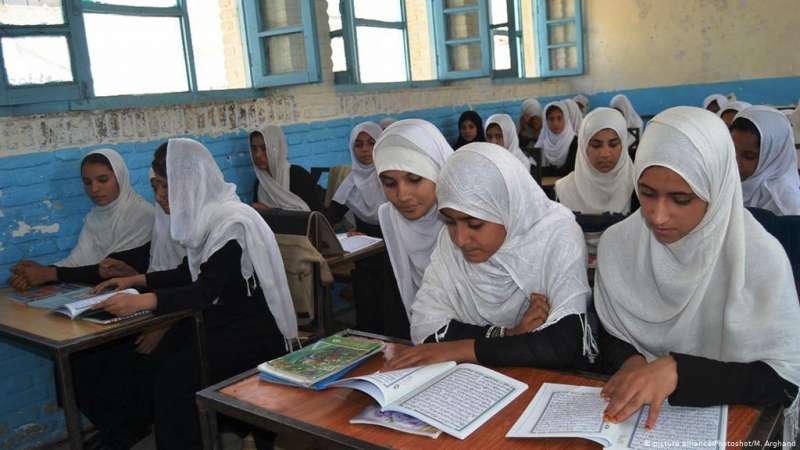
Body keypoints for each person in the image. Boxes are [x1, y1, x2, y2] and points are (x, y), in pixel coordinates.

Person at [595, 107, 800, 436]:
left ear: (716, 190)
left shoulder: (758, 257)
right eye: (647, 193)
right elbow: (610, 329)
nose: (658, 216)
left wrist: (679, 372)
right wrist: (631, 360)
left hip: (731, 424)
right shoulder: (619, 244)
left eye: (680, 199)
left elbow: (785, 379)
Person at [82, 138, 297, 450]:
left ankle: (213, 430)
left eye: (165, 187)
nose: (159, 197)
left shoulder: (232, 223)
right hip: (219, 323)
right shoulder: (205, 220)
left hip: (252, 334)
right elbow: (188, 271)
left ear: (191, 183)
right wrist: (136, 279)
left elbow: (204, 291)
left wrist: (144, 301)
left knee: (175, 376)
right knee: (146, 360)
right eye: (155, 187)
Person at [387, 143, 594, 370]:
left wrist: (459, 348)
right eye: (449, 222)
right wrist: (508, 334)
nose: (460, 239)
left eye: (475, 224)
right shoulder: (449, 243)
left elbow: (562, 344)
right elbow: (425, 327)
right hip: (475, 380)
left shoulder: (556, 234)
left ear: (508, 208)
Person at [8, 149, 153, 290]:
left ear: (120, 177)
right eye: (87, 182)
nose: (94, 189)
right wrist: (37, 274)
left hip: (142, 297)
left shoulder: (141, 214)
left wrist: (49, 274)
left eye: (103, 180)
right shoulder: (95, 216)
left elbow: (111, 271)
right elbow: (78, 261)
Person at [374, 119, 454, 337]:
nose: (402, 196)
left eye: (415, 179)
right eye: (390, 184)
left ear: (439, 171)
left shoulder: (468, 218)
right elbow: (395, 307)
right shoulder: (390, 219)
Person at [555, 108, 635, 261]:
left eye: (613, 144)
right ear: (584, 147)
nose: (605, 153)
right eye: (596, 145)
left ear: (623, 145)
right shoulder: (564, 190)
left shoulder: (638, 187)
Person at [731, 106, 800, 215]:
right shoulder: (726, 182)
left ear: (773, 157)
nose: (735, 161)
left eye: (749, 156)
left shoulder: (787, 207)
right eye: (731, 150)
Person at [326, 121, 386, 236]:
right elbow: (329, 219)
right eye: (358, 145)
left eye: (371, 143)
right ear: (352, 149)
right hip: (367, 248)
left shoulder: (392, 178)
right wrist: (344, 235)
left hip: (396, 246)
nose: (365, 149)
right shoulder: (351, 182)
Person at [249, 126, 323, 212]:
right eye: (254, 149)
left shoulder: (298, 175)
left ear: (276, 149)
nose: (257, 155)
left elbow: (314, 214)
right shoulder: (260, 183)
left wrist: (269, 210)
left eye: (264, 148)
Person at [535, 101, 578, 176]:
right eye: (551, 119)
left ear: (565, 119)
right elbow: (535, 168)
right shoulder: (542, 142)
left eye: (559, 118)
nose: (555, 123)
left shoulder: (574, 141)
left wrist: (546, 171)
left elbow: (570, 170)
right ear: (546, 122)